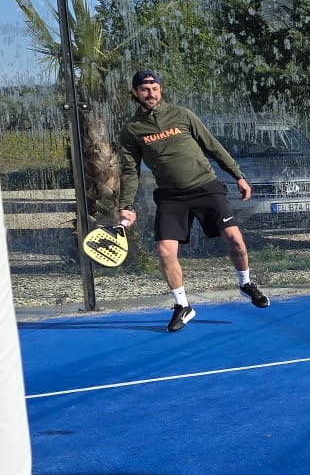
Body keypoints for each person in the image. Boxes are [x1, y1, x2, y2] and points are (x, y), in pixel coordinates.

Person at [113, 70, 270, 331]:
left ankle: (245, 283)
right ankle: (183, 306)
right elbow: (130, 171)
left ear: (161, 90)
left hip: (206, 186)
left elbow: (212, 146)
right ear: (135, 92)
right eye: (144, 89)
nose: (150, 93)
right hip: (170, 196)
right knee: (165, 251)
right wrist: (127, 206)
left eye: (154, 88)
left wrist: (238, 175)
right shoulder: (131, 130)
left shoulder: (182, 115)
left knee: (235, 240)